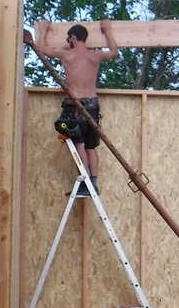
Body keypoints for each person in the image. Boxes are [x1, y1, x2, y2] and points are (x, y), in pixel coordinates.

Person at [30, 20, 119, 196]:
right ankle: (93, 182)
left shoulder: (67, 55)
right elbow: (114, 52)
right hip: (93, 105)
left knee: (79, 143)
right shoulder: (95, 56)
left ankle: (85, 183)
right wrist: (107, 31)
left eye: (68, 38)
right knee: (91, 147)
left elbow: (41, 49)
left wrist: (43, 30)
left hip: (76, 105)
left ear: (72, 37)